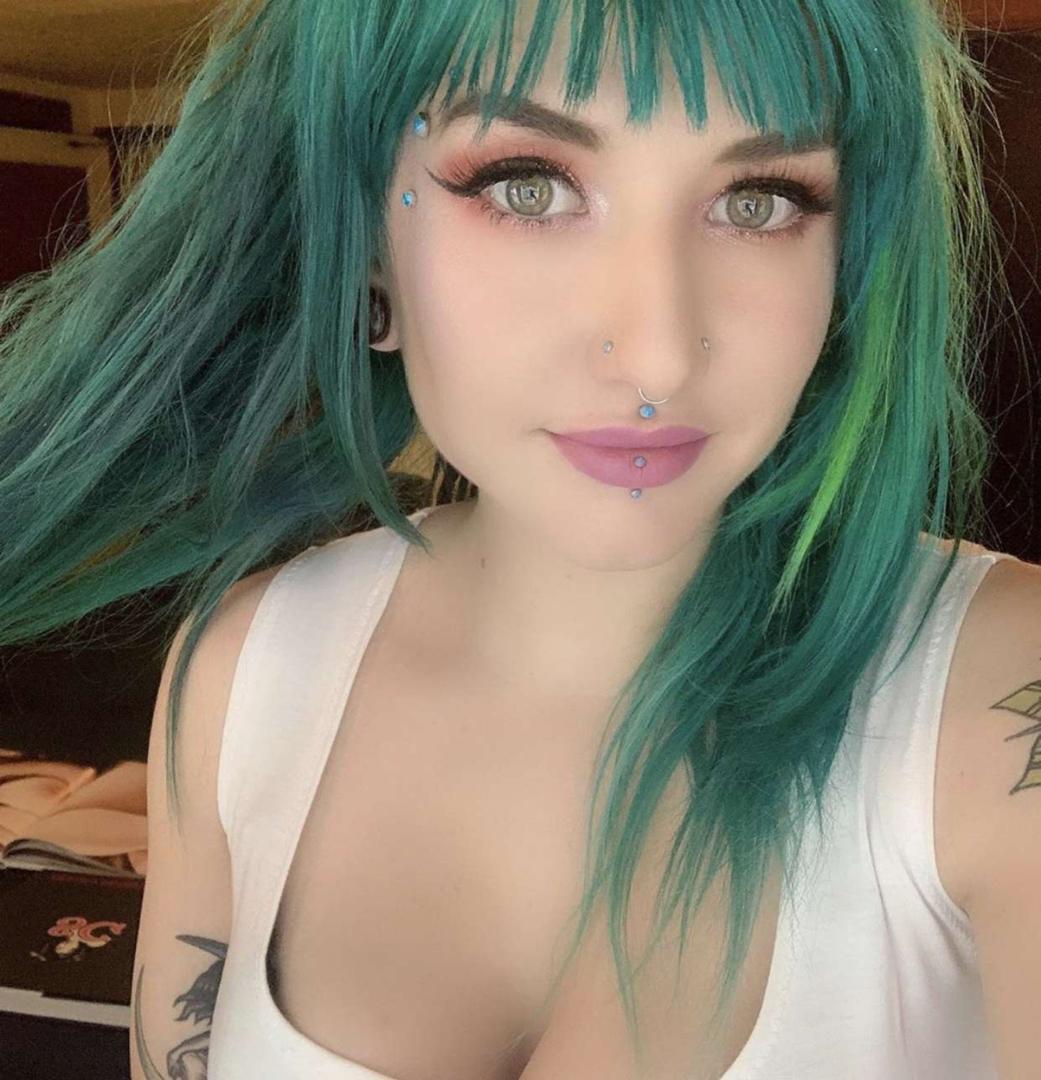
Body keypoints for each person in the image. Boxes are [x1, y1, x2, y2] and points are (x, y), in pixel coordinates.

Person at [0, 0, 1038, 1077]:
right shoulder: (245, 673)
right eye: (527, 186)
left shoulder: (999, 703)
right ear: (365, 245)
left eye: (758, 201)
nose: (656, 356)